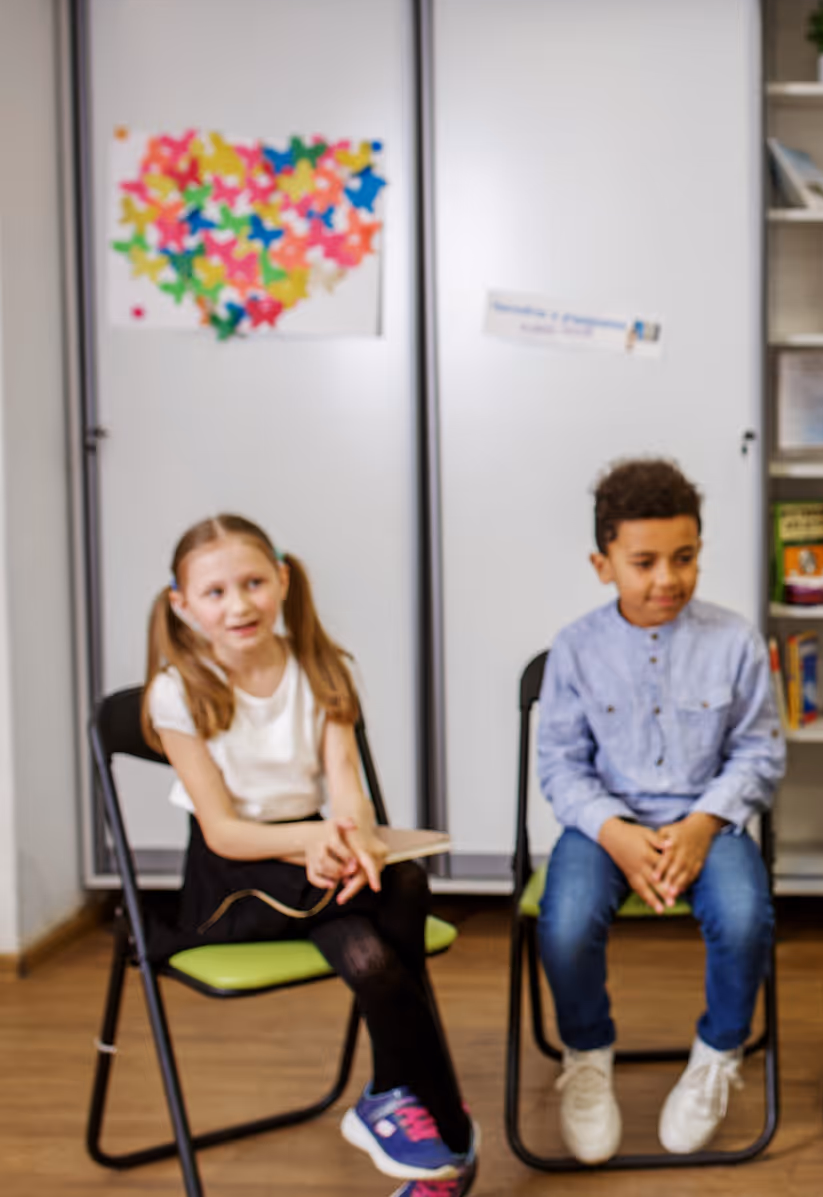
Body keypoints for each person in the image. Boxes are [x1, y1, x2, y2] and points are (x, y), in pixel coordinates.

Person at [143, 515, 474, 1197]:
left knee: (405, 881)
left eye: (254, 582)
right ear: (182, 604)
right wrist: (314, 841)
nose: (239, 605)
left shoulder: (322, 666)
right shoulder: (177, 691)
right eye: (215, 592)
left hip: (311, 854)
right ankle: (429, 1107)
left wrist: (348, 836)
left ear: (283, 580)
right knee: (373, 957)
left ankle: (391, 1094)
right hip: (236, 875)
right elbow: (223, 832)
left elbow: (347, 790)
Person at [535, 457, 783, 1164]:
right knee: (567, 923)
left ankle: (716, 1052)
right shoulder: (576, 648)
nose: (666, 578)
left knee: (743, 918)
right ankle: (585, 1053)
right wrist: (615, 833)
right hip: (606, 823)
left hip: (709, 816)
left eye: (684, 557)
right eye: (643, 562)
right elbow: (560, 764)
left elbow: (760, 752)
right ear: (602, 562)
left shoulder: (734, 640)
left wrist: (705, 823)